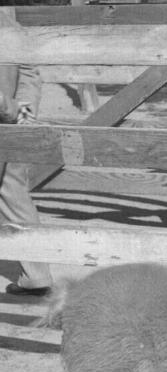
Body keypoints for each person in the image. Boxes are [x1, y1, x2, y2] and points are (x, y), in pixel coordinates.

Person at [0, 8, 52, 297]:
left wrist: (22, 110)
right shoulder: (7, 20)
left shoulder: (6, 21)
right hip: (9, 118)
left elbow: (29, 69)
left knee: (13, 191)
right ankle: (37, 275)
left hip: (7, 120)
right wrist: (20, 109)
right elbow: (29, 71)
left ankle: (37, 275)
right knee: (13, 193)